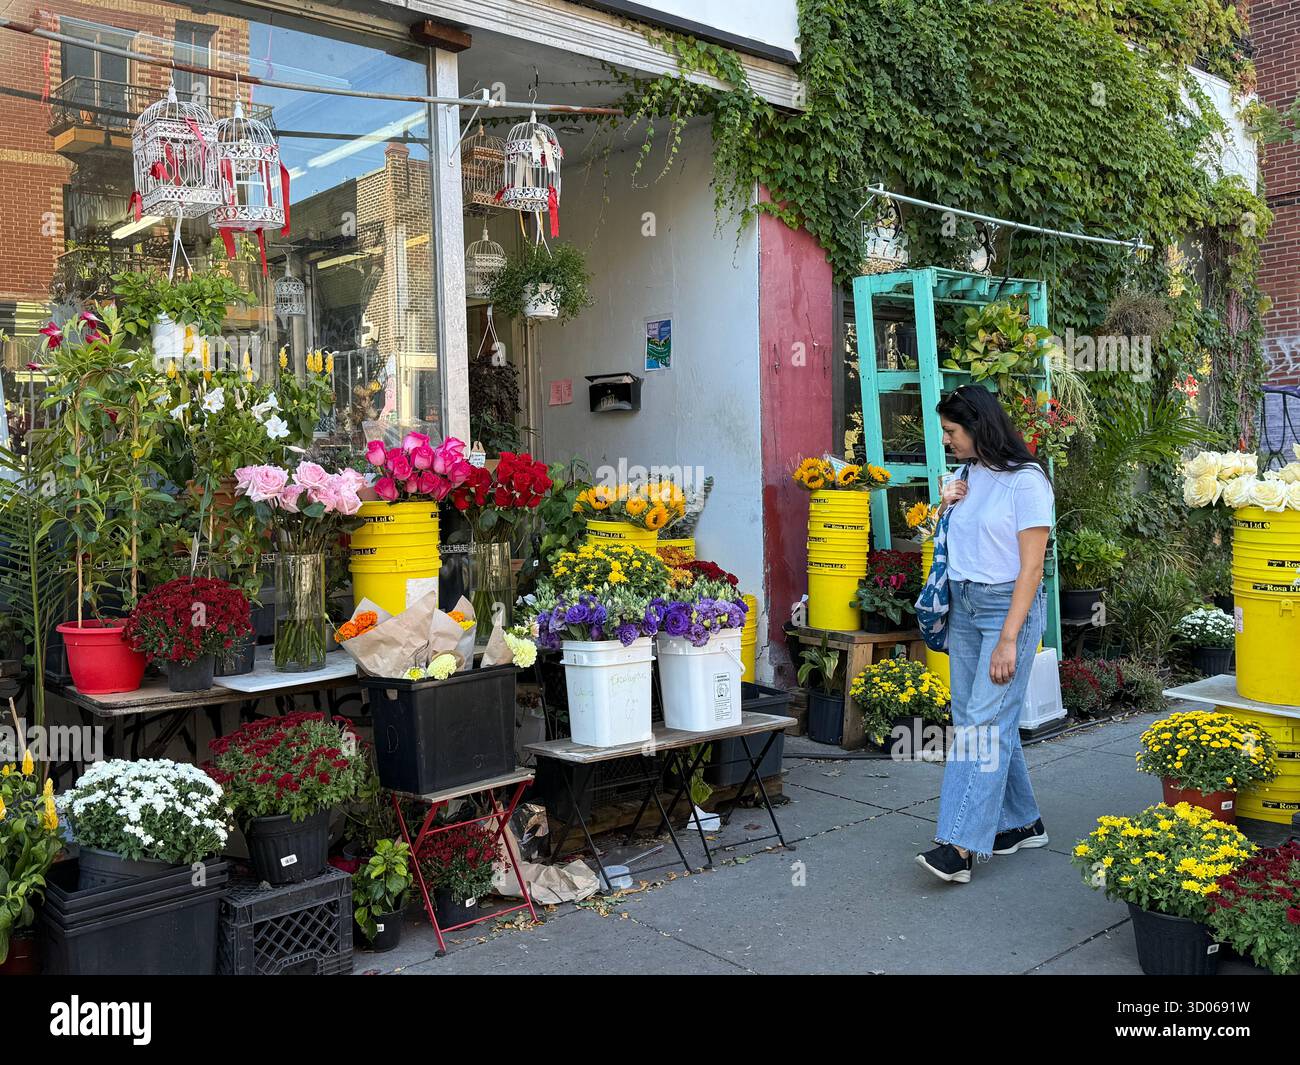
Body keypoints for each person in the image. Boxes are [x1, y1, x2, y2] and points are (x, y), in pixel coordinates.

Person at [915, 385, 1054, 884]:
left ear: (979, 427)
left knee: (979, 725)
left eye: (952, 432)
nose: (947, 441)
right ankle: (1021, 823)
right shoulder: (964, 476)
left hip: (1005, 611)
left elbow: (1032, 568)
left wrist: (1009, 638)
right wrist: (944, 507)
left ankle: (959, 845)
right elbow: (949, 547)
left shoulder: (1027, 482)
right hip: (965, 605)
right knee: (984, 717)